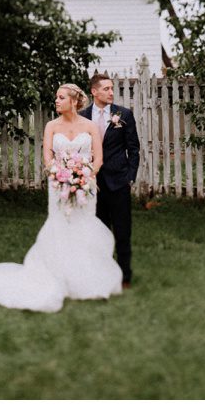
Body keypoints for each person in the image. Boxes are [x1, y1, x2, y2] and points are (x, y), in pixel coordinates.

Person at [0, 84, 123, 312]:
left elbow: (98, 158)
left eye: (61, 98)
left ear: (74, 101)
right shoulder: (51, 126)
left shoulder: (90, 126)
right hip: (58, 183)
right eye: (56, 98)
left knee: (83, 226)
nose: (56, 101)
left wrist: (83, 174)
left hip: (85, 185)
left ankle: (85, 278)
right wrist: (62, 175)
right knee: (60, 226)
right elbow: (48, 158)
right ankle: (56, 273)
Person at [79, 73, 139, 288]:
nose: (111, 92)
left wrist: (130, 178)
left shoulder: (124, 115)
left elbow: (134, 149)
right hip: (92, 184)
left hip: (119, 182)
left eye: (112, 88)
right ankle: (100, 274)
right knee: (97, 232)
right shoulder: (82, 117)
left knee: (122, 231)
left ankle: (124, 277)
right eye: (106, 89)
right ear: (94, 92)